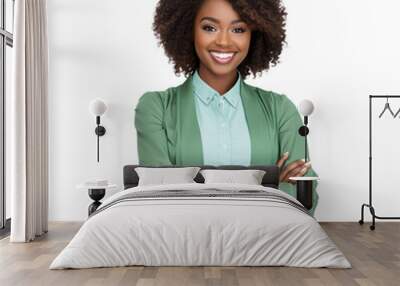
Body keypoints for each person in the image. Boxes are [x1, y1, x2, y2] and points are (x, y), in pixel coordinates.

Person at [134, 0, 319, 215]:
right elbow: (161, 196)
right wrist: (269, 184)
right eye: (210, 28)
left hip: (267, 238)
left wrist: (193, 186)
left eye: (238, 29)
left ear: (254, 34)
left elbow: (305, 194)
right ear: (188, 30)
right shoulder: (156, 108)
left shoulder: (280, 109)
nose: (223, 41)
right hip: (186, 240)